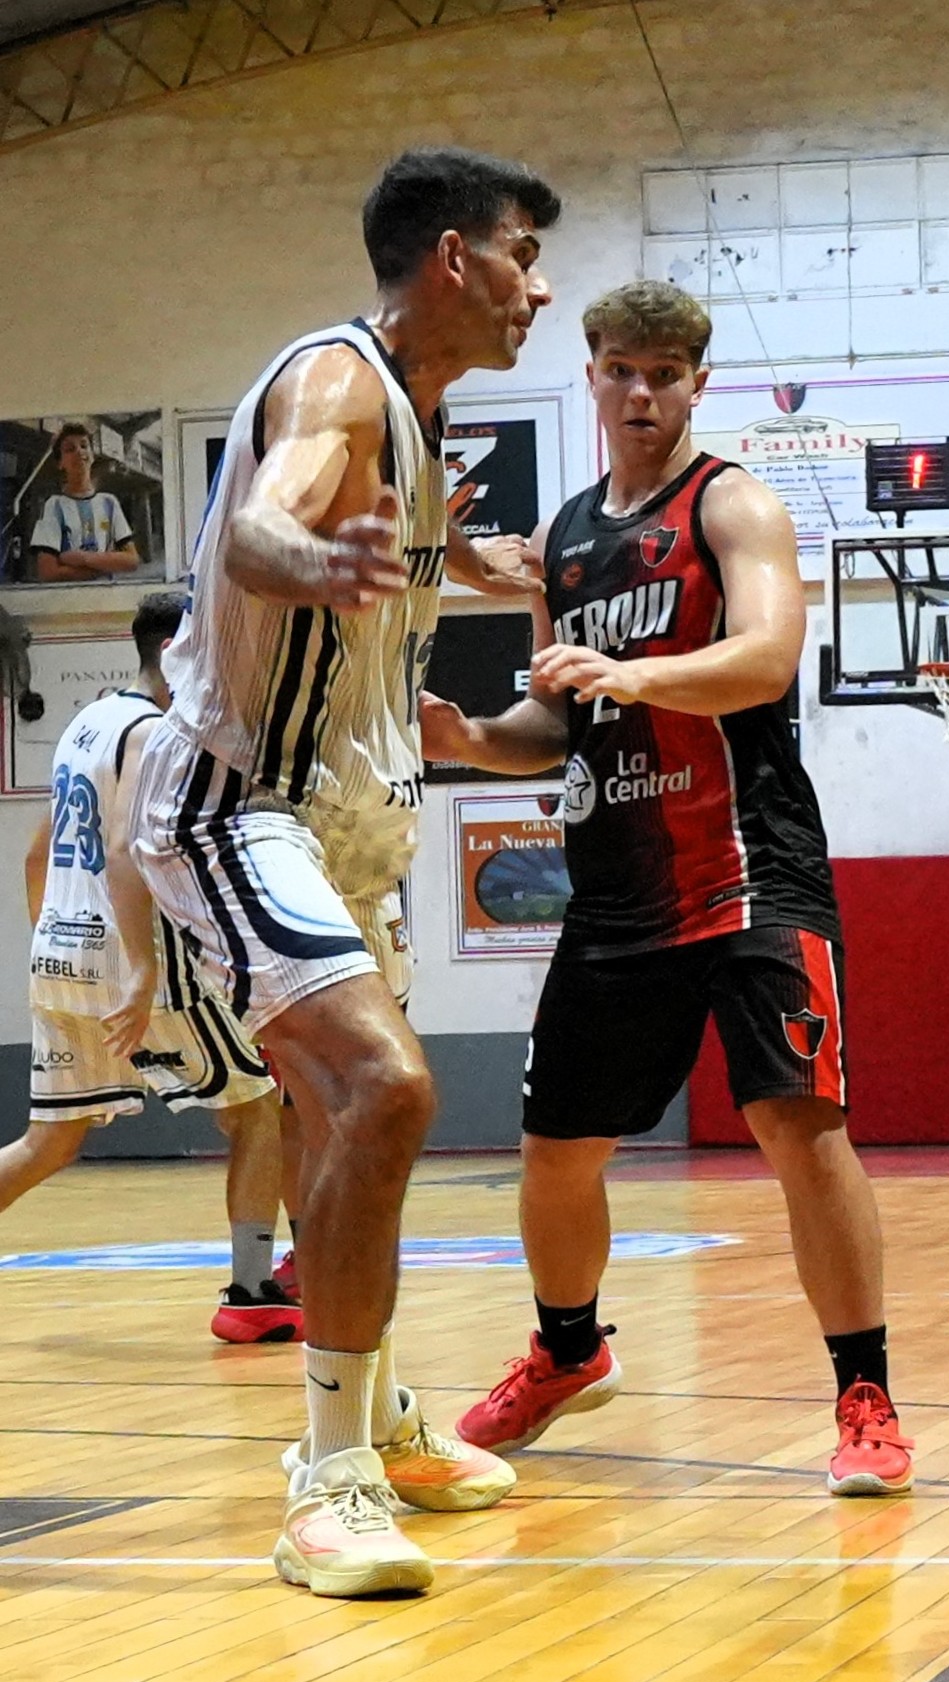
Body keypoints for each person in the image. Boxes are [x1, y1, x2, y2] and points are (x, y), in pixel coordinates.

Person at [130, 146, 560, 1597]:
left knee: (341, 1129)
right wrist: (299, 560)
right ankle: (328, 1481)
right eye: (521, 255)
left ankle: (368, 1415)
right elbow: (267, 521)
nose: (536, 288)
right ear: (452, 257)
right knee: (387, 1088)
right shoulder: (340, 385)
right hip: (237, 801)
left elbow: (414, 549)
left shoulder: (424, 423)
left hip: (347, 825)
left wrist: (489, 567)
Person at [425, 280, 912, 1498]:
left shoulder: (731, 504)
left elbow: (767, 658)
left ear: (698, 382)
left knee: (799, 1127)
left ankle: (865, 1395)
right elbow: (555, 721)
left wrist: (637, 676)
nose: (641, 392)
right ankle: (568, 1352)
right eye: (621, 371)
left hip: (750, 871)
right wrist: (471, 737)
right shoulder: (567, 540)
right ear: (591, 376)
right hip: (618, 888)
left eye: (664, 374)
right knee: (555, 1152)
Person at [3, 592, 297, 1341]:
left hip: (59, 950)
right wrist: (133, 969)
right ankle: (252, 1289)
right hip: (137, 958)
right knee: (258, 1110)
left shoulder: (87, 724)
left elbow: (37, 853)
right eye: (207, 651)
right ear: (171, 652)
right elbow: (129, 848)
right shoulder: (158, 732)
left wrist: (60, 948)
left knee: (48, 1142)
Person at [27, 421, 144, 582]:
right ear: (60, 463)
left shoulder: (109, 502)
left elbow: (132, 561)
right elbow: (48, 572)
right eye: (70, 449)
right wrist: (108, 564)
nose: (79, 451)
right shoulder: (54, 505)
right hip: (69, 597)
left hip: (107, 594)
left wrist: (84, 558)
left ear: (92, 456)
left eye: (84, 446)